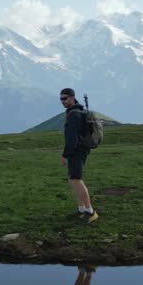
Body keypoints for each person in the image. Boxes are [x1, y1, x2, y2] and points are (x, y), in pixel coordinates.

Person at [59, 88, 98, 222]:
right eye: (61, 99)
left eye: (65, 98)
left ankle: (90, 211)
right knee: (73, 178)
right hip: (81, 149)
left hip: (77, 150)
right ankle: (81, 208)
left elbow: (72, 139)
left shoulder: (73, 115)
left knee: (76, 178)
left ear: (72, 97)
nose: (62, 101)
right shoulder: (78, 111)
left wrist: (65, 155)